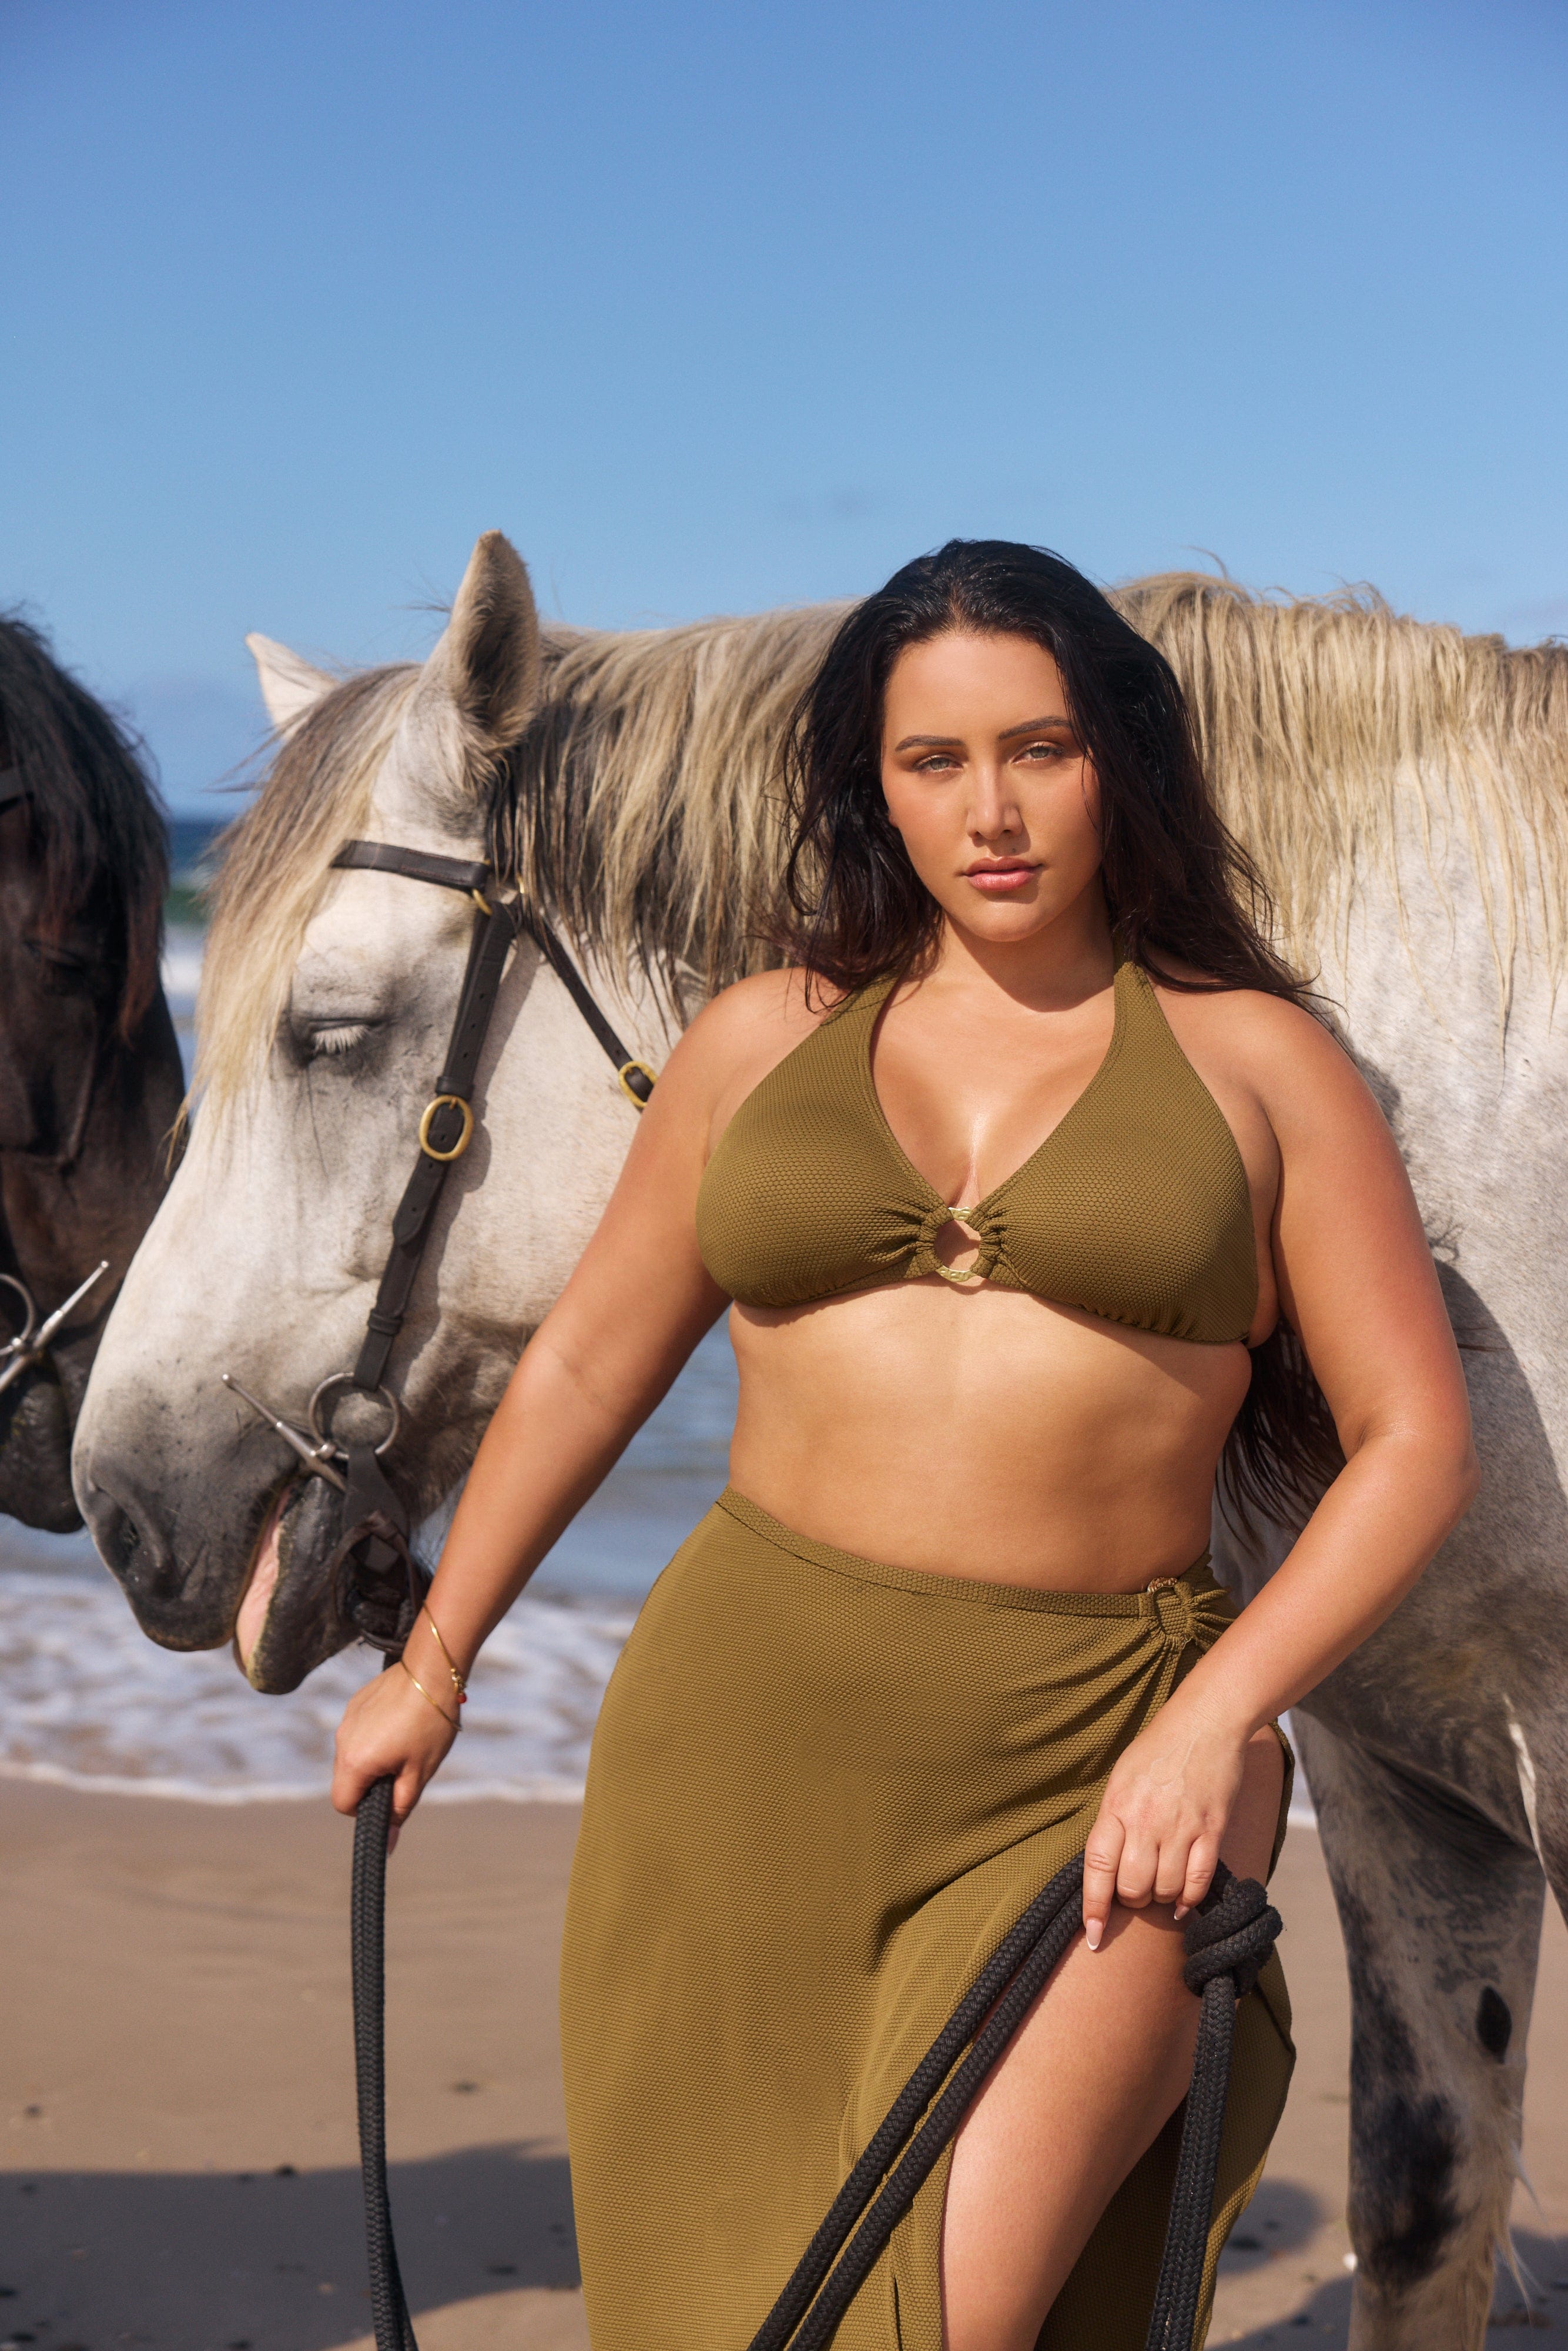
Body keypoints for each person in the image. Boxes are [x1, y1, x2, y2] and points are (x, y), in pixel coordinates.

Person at [331, 540, 1477, 2351]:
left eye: (1039, 749)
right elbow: (578, 1376)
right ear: (872, 789)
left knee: (943, 2309)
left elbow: (1412, 1439)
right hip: (732, 1751)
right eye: (932, 762)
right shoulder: (756, 1041)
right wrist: (437, 1658)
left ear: (1121, 758)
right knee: (722, 2306)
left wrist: (1212, 1718)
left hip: (1102, 1759)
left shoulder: (1257, 1062)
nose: (991, 811)